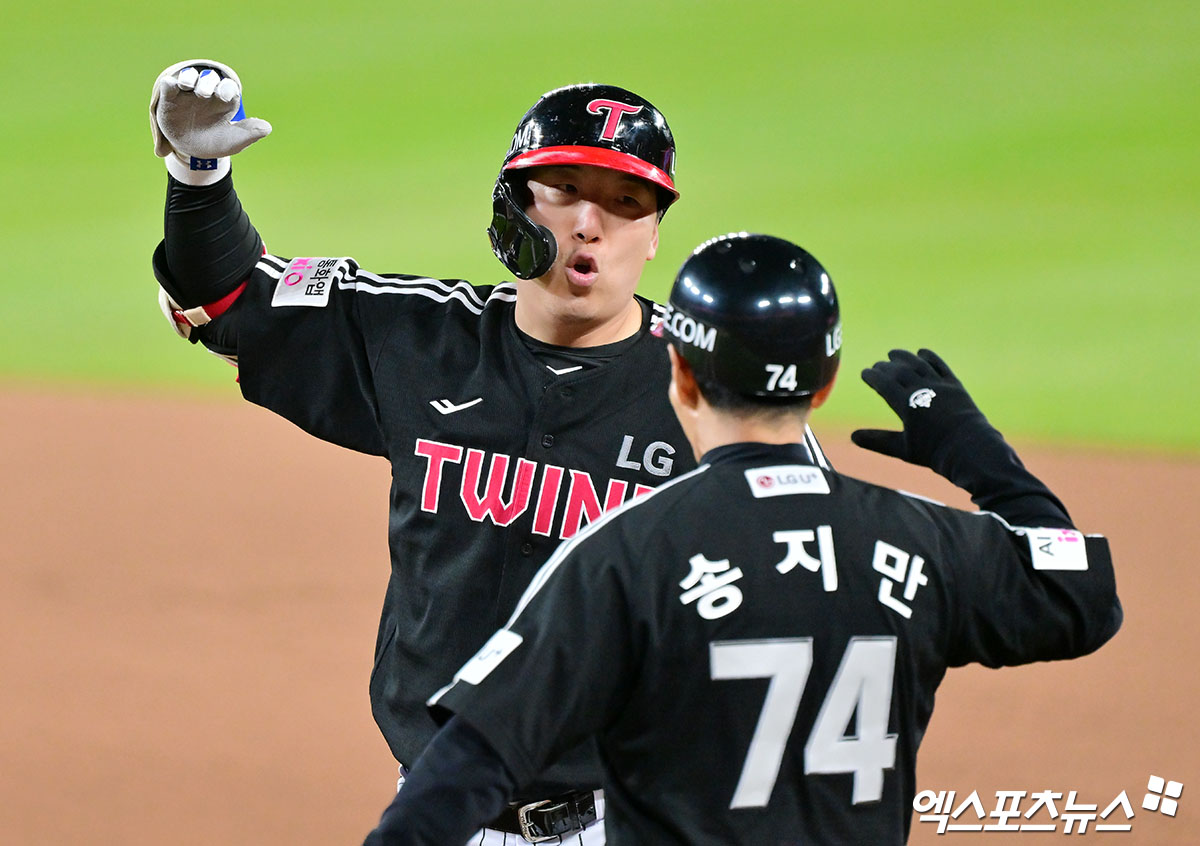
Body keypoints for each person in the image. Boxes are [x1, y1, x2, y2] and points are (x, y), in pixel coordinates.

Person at [147, 61, 831, 843]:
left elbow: (815, 589)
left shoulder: (718, 395)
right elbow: (228, 299)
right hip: (437, 810)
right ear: (514, 207)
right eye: (566, 191)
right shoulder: (419, 338)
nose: (590, 224)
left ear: (653, 237)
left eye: (625, 203)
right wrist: (198, 174)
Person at [362, 232, 1123, 845]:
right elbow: (1082, 592)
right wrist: (982, 461)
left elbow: (472, 756)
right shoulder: (919, 539)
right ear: (822, 387)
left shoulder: (628, 554)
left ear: (680, 376)